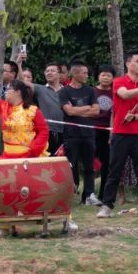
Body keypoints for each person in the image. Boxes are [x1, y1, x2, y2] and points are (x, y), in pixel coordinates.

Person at [99, 51, 138, 218]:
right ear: (128, 64)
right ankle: (107, 206)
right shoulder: (119, 82)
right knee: (114, 170)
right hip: (120, 134)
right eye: (137, 61)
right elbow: (124, 94)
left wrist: (134, 117)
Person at [58, 60, 100, 205]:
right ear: (75, 74)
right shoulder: (64, 91)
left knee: (90, 166)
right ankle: (69, 194)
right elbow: (68, 111)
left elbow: (96, 111)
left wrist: (77, 110)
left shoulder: (90, 90)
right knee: (71, 166)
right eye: (84, 73)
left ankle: (89, 195)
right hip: (71, 134)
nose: (87, 75)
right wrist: (86, 108)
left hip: (88, 134)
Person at [33, 62, 67, 155]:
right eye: (47, 71)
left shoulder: (67, 91)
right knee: (46, 161)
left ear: (59, 74)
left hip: (65, 132)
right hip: (46, 132)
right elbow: (23, 82)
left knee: (63, 162)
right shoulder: (40, 89)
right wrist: (19, 64)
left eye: (52, 71)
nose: (49, 73)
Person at [92, 66, 115, 201]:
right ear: (98, 76)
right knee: (91, 163)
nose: (105, 78)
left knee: (107, 164)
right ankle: (89, 194)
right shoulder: (92, 91)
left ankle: (104, 195)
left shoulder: (114, 93)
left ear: (113, 78)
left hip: (108, 131)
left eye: (108, 75)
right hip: (93, 130)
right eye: (103, 75)